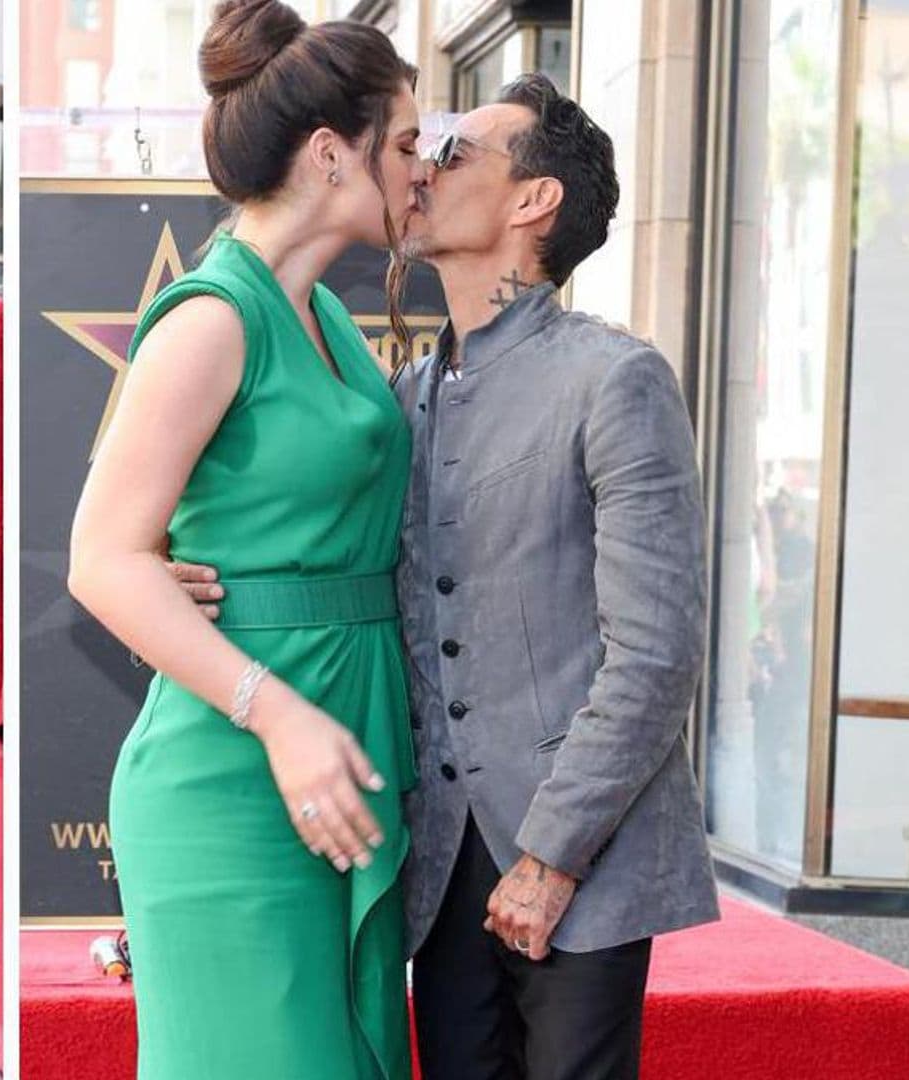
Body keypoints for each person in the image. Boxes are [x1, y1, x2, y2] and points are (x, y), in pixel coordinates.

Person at [176, 73, 719, 1079]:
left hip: (579, 853)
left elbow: (658, 651)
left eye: (458, 150)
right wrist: (179, 575)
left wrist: (552, 856)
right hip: (433, 858)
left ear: (531, 202)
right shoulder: (405, 397)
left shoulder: (616, 378)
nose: (424, 165)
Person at [67, 3, 424, 1076]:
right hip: (236, 779)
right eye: (404, 144)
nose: (422, 169)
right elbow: (103, 558)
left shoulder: (323, 320)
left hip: (344, 747)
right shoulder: (215, 316)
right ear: (331, 154)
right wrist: (278, 718)